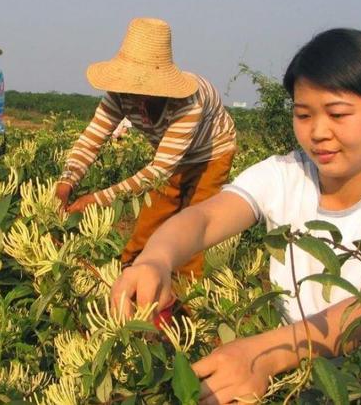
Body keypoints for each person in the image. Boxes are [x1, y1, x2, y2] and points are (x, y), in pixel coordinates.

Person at [110, 28, 361, 404]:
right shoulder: (283, 175)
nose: (319, 132)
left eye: (338, 114)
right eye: (303, 114)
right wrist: (157, 257)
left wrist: (263, 355)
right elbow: (204, 219)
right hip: (293, 380)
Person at [55, 17, 237, 276]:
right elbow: (91, 139)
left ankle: (189, 303)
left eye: (141, 83)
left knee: (195, 226)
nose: (133, 91)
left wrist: (97, 199)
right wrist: (66, 184)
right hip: (168, 155)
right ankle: (129, 276)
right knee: (150, 220)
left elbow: (161, 169)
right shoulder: (120, 94)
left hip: (211, 153)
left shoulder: (188, 101)